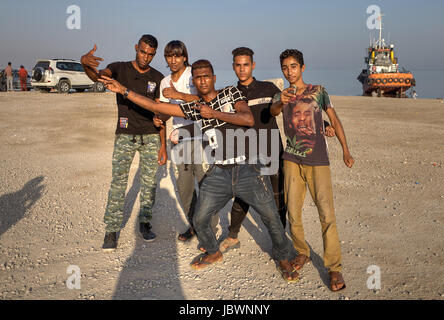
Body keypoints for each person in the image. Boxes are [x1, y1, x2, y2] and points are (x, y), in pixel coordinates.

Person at [100, 59, 300, 282]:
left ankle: (283, 257)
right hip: (219, 172)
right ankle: (214, 252)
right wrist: (124, 91)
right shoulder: (194, 109)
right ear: (194, 82)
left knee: (271, 216)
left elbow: (247, 118)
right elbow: (156, 107)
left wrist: (214, 114)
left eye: (206, 76)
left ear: (213, 78)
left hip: (247, 168)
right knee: (200, 218)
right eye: (198, 77)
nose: (203, 80)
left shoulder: (230, 93)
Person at [219, 47, 336, 253]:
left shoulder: (268, 88)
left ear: (253, 65)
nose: (242, 69)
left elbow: (297, 107)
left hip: (271, 150)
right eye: (238, 65)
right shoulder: (229, 94)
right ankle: (232, 235)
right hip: (245, 153)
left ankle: (279, 238)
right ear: (233, 67)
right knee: (241, 197)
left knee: (278, 196)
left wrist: (325, 125)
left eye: (246, 64)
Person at [271, 49, 355, 291]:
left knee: (326, 215)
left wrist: (345, 150)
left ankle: (334, 268)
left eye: (294, 66)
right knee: (294, 213)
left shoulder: (319, 91)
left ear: (303, 68)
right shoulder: (282, 95)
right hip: (292, 159)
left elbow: (333, 119)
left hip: (318, 160)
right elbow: (273, 112)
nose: (289, 71)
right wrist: (280, 101)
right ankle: (302, 251)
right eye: (285, 67)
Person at [80, 34, 167, 251]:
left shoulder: (158, 77)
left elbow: (160, 112)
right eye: (143, 51)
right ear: (136, 47)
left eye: (150, 54)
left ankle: (145, 223)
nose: (146, 57)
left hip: (150, 137)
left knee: (149, 185)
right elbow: (99, 77)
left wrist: (163, 145)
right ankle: (111, 229)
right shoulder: (119, 68)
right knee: (118, 183)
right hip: (125, 135)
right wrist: (85, 65)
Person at [155, 40, 218, 242]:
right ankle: (195, 225)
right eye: (169, 56)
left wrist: (178, 95)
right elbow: (165, 111)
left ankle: (211, 228)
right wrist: (160, 117)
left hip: (201, 137)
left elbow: (205, 99)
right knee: (184, 187)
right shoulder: (164, 82)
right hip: (180, 139)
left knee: (206, 185)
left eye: (177, 56)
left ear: (184, 57)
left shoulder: (195, 74)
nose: (173, 60)